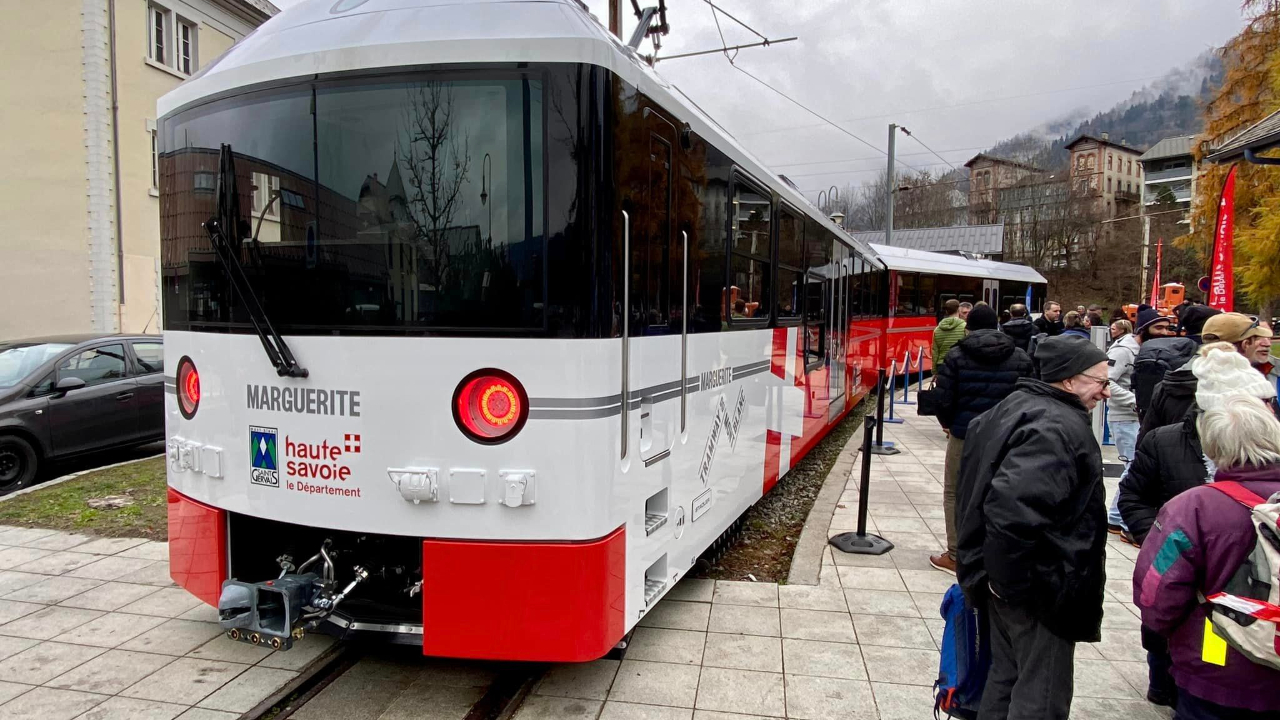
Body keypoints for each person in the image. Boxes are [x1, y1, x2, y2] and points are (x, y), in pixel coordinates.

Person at [955, 335, 1110, 720]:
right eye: (1100, 382)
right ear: (1069, 380)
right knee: (1041, 696)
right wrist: (1013, 585)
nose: (1106, 392)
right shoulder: (1056, 427)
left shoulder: (1015, 407)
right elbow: (1013, 511)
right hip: (1040, 587)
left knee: (1004, 677)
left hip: (1007, 580)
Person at [1118, 344, 1278, 709]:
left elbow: (1157, 597)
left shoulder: (1195, 507)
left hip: (1214, 655)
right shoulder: (1166, 445)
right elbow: (1133, 496)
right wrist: (1150, 532)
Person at [928, 304, 1034, 575]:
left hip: (965, 434)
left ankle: (955, 555)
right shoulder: (1020, 357)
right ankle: (993, 554)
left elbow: (944, 399)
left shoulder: (956, 356)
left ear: (969, 327)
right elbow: (1030, 398)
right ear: (998, 324)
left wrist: (949, 425)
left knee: (954, 492)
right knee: (1000, 492)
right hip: (1007, 437)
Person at [1139, 312, 1275, 446]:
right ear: (1245, 344)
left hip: (1172, 465)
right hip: (1226, 464)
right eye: (1255, 339)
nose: (1266, 344)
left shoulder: (1167, 384)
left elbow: (1145, 445)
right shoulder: (1252, 389)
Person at [1104, 313, 1143, 540]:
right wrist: (1134, 401)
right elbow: (1107, 380)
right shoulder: (1122, 351)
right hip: (1125, 415)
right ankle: (1117, 518)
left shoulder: (1136, 350)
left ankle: (1117, 518)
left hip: (1133, 415)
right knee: (1133, 466)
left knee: (1134, 465)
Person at [932, 299, 967, 370]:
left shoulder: (937, 329)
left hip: (942, 365)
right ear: (958, 310)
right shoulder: (965, 327)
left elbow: (935, 352)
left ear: (946, 311)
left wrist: (934, 370)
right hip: (959, 364)